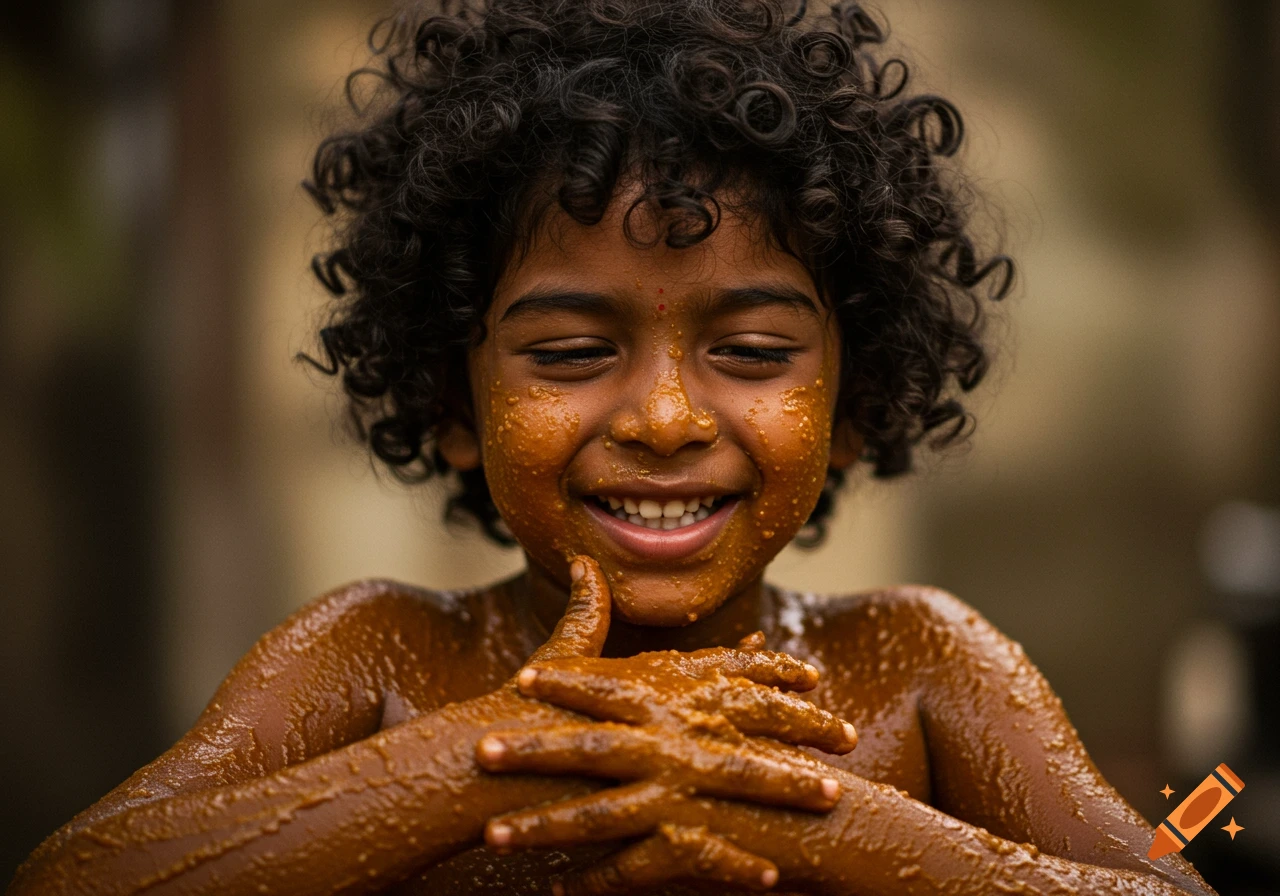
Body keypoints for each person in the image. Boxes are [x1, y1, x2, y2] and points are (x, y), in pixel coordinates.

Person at [10, 1, 1218, 893]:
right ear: (450, 399)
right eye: (572, 351)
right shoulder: (380, 657)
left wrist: (807, 810)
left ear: (855, 404)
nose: (662, 417)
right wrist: (505, 758)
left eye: (748, 351)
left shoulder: (915, 666)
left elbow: (1170, 879)